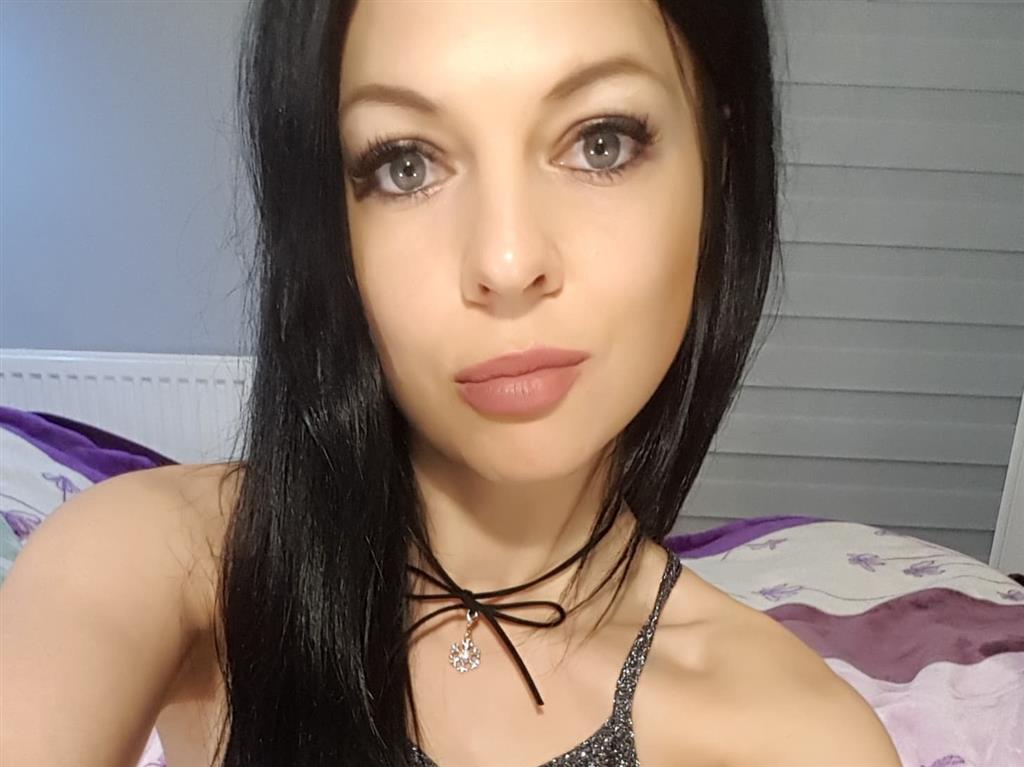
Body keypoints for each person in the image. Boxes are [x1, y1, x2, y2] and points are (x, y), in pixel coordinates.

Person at [0, 1, 903, 766]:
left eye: (600, 143)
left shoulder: (801, 738)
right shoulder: (165, 561)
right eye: (406, 164)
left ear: (718, 163)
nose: (505, 262)